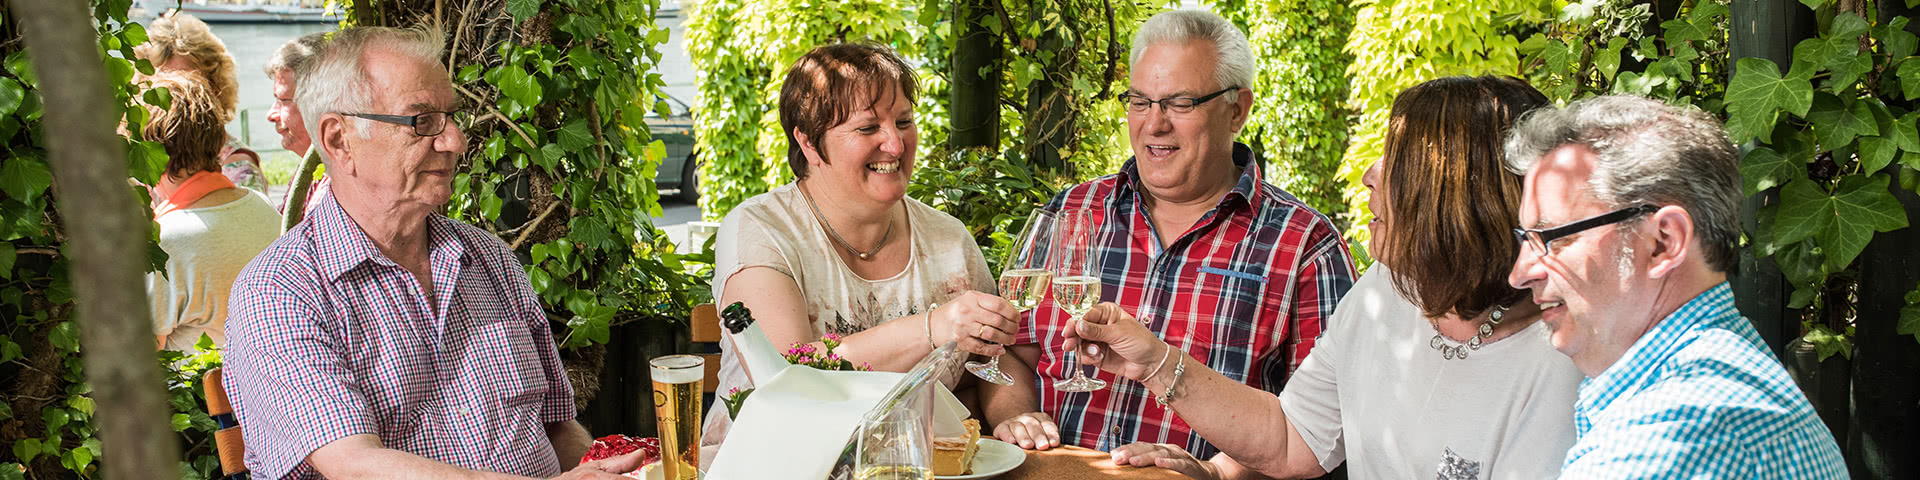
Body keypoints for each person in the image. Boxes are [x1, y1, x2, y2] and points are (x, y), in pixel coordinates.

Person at [1061, 76, 1584, 479]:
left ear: (1459, 194)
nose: (1370, 174)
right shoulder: (1386, 290)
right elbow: (1294, 439)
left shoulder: (1565, 354)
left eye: (1397, 160)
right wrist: (1154, 361)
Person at [223, 26, 643, 479]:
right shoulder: (279, 290)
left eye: (451, 117)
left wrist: (602, 470)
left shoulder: (488, 259)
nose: (455, 141)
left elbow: (557, 427)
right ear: (339, 140)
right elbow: (356, 465)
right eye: (422, 121)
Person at [1005, 9, 1358, 457]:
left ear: (1237, 110)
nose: (1154, 124)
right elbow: (1014, 353)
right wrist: (1015, 417)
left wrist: (1215, 471)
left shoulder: (1305, 244)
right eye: (1140, 101)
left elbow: (1324, 428)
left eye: (1180, 103)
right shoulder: (1072, 212)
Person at [705, 43, 1036, 448]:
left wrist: (1014, 418)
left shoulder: (948, 238)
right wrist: (933, 327)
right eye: (867, 128)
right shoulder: (761, 230)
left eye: (904, 121)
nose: (895, 145)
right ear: (809, 142)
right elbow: (788, 380)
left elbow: (996, 358)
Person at [1501, 95, 1848, 478]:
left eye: (1551, 237)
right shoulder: (1722, 381)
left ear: (1663, 242)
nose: (1520, 273)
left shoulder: (1666, 437)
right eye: (1524, 239)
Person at [139, 71, 281, 353]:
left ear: (147, 152)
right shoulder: (261, 206)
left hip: (205, 395)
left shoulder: (165, 242)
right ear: (218, 141)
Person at [134, 12, 267, 194]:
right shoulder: (136, 155)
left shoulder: (239, 168)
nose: (176, 92)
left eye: (187, 81)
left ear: (215, 84)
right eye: (163, 84)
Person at [264, 32, 335, 214]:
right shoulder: (311, 174)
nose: (271, 115)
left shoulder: (334, 194)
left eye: (284, 100)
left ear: (321, 105)